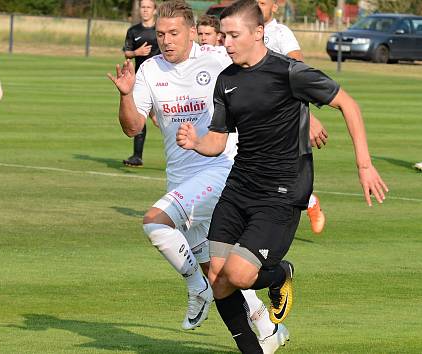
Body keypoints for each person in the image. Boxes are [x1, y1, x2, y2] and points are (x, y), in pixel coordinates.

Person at [176, 1, 388, 352]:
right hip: (239, 186)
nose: (225, 42)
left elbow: (348, 105)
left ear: (258, 33)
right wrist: (197, 143)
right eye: (223, 35)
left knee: (240, 275)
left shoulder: (289, 72)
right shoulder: (226, 80)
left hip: (281, 191)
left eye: (233, 35)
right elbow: (218, 140)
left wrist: (364, 165)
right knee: (217, 279)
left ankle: (280, 274)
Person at [108, 1, 289, 352]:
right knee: (218, 272)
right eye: (161, 34)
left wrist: (298, 111)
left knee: (155, 223)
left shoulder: (216, 57)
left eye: (174, 33)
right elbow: (133, 127)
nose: (166, 40)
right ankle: (267, 328)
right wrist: (127, 95)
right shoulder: (149, 71)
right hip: (180, 177)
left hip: (220, 168)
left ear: (193, 32)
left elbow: (261, 73)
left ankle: (195, 288)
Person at [257, 0, 327, 234]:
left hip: (278, 117)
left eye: (262, 2)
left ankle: (308, 200)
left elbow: (298, 73)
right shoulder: (243, 31)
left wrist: (306, 117)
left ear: (275, 6)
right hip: (248, 114)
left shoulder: (280, 33)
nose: (257, 6)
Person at [121, 0, 161, 167]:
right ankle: (137, 156)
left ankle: (191, 151)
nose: (145, 10)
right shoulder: (134, 30)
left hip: (161, 80)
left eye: (148, 7)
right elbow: (127, 52)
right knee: (139, 116)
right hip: (141, 81)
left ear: (154, 10)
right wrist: (136, 52)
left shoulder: (161, 30)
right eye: (142, 7)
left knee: (163, 118)